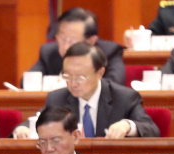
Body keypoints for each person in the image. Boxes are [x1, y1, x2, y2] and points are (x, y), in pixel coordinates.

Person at [14, 43, 159, 139]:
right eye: (67, 76)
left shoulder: (124, 97)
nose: (73, 83)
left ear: (100, 73)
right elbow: (36, 121)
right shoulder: (57, 98)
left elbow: (152, 130)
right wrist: (23, 129)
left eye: (80, 77)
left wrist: (127, 125)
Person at [28, 7, 125, 85]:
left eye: (73, 41)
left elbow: (114, 84)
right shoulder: (48, 52)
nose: (66, 47)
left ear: (91, 41)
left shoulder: (110, 52)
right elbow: (27, 82)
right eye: (63, 38)